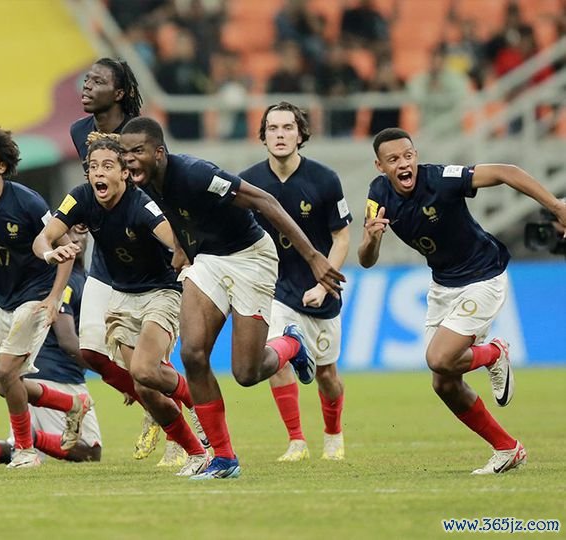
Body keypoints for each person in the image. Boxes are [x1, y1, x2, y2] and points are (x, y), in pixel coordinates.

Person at [119, 116, 345, 479]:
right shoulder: (147, 181)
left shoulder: (194, 173)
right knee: (192, 354)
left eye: (137, 151)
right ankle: (224, 458)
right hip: (209, 260)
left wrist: (314, 257)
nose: (129, 159)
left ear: (159, 153)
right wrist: (182, 248)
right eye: (125, 152)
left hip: (251, 257)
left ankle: (290, 345)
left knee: (246, 372)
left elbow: (265, 200)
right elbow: (181, 213)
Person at [359, 127, 566, 475]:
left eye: (408, 155)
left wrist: (556, 205)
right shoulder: (377, 193)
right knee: (444, 381)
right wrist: (370, 238)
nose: (404, 164)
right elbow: (366, 260)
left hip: (483, 277)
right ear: (380, 166)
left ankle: (494, 353)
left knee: (439, 357)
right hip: (443, 287)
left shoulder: (440, 179)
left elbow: (506, 172)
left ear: (416, 155)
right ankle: (507, 448)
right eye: (393, 159)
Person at [34, 134, 209, 477]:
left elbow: (174, 238)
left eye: (108, 166)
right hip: (122, 295)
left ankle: (198, 405)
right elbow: (45, 235)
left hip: (162, 291)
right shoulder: (81, 198)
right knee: (145, 384)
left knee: (144, 370)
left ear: (125, 173)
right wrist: (49, 252)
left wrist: (186, 257)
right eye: (93, 167)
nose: (98, 172)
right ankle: (196, 452)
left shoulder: (141, 205)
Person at [0, 126, 91, 470]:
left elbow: (65, 249)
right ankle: (73, 405)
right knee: (5, 383)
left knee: (6, 372)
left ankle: (25, 450)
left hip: (36, 295)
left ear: (2, 165)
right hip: (5, 299)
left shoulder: (27, 201)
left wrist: (55, 298)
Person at [240, 102, 352, 462]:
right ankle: (296, 441)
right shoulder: (248, 182)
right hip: (272, 287)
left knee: (327, 374)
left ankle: (333, 433)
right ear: (263, 136)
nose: (280, 135)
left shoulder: (324, 179)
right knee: (274, 353)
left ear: (301, 134)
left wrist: (324, 284)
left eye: (288, 128)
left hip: (318, 290)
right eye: (272, 128)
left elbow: (342, 238)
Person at [70, 57, 166, 461]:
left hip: (148, 259)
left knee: (151, 361)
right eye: (86, 80)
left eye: (97, 82)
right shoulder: (80, 132)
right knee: (89, 350)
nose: (86, 87)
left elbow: (160, 187)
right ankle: (153, 406)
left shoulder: (138, 133)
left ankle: (175, 428)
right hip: (105, 257)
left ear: (121, 93)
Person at [0, 226, 104, 465]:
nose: (76, 238)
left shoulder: (78, 276)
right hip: (59, 379)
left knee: (21, 447)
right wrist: (111, 372)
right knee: (90, 452)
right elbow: (67, 340)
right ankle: (36, 432)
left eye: (82, 231)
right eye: (68, 232)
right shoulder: (66, 281)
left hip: (30, 377)